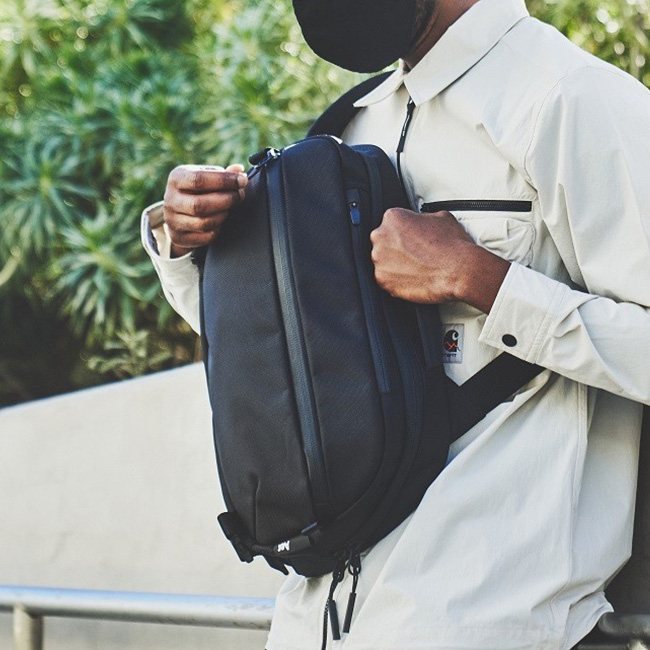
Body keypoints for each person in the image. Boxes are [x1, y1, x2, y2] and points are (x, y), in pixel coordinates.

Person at [140, 0, 650, 647]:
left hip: (482, 622)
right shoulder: (355, 122)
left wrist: (481, 280)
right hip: (312, 621)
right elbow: (281, 357)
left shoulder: (571, 98)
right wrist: (192, 248)